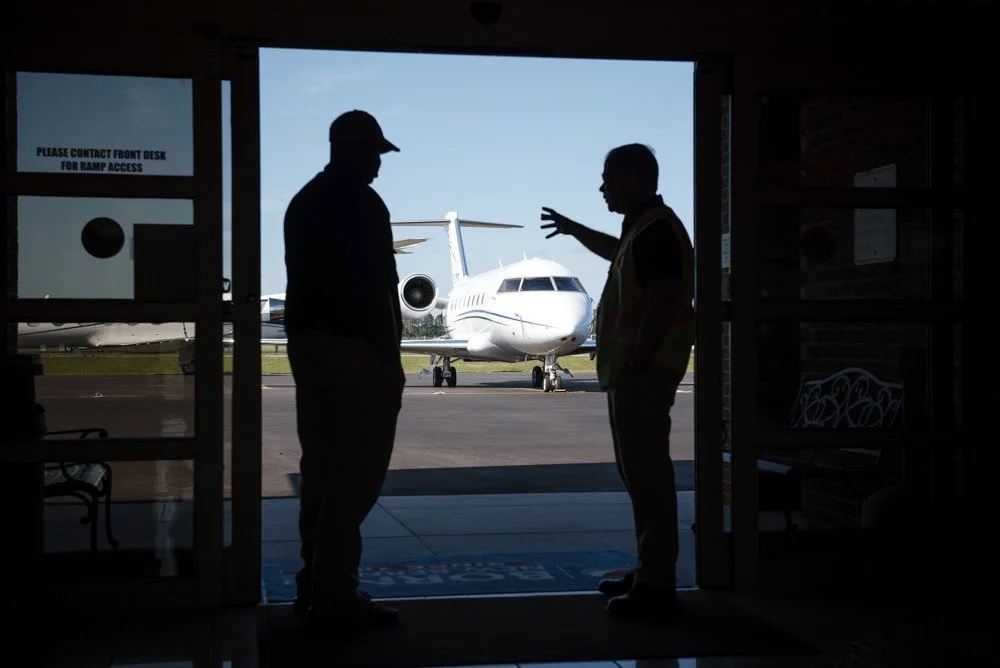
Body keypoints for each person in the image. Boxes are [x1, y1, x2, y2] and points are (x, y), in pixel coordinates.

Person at [541, 143, 694, 620]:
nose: (602, 186)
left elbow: (663, 300)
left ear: (633, 177)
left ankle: (656, 583)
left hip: (645, 373)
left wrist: (641, 362)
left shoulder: (657, 231)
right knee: (639, 476)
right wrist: (573, 229)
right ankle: (647, 569)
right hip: (635, 373)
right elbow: (617, 252)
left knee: (649, 476)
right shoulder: (642, 230)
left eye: (608, 177)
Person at [282, 110, 406, 629]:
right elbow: (378, 287)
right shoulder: (363, 203)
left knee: (320, 470)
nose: (379, 161)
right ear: (352, 150)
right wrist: (390, 358)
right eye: (374, 151)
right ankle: (335, 592)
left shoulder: (304, 202)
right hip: (357, 353)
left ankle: (314, 579)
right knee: (356, 475)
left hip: (308, 348)